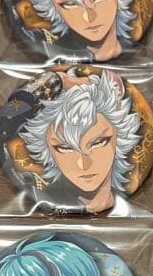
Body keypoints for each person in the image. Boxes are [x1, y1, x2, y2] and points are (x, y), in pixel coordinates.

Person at [16, 70, 141, 214]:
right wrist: (59, 81)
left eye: (98, 143)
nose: (83, 165)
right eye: (64, 148)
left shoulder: (125, 189)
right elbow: (9, 119)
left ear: (119, 139)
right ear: (48, 149)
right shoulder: (42, 194)